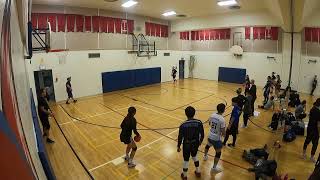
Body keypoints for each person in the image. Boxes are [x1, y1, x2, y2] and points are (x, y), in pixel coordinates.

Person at [177, 106, 204, 179]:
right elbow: (202, 134)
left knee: (186, 160)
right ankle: (198, 171)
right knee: (194, 156)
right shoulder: (199, 122)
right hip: (195, 143)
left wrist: (178, 146)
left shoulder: (183, 125)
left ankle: (185, 175)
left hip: (186, 144)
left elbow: (180, 137)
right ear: (194, 113)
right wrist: (200, 141)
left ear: (186, 114)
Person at [203, 103, 226, 173]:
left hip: (210, 135)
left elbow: (209, 123)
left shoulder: (212, 115)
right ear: (223, 110)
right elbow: (223, 131)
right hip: (216, 138)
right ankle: (214, 168)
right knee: (218, 153)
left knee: (208, 145)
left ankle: (205, 156)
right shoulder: (222, 119)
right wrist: (224, 135)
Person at [303, 98, 320, 163]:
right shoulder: (319, 112)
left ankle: (303, 154)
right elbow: (318, 124)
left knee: (307, 140)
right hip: (315, 130)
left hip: (310, 128)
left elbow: (310, 117)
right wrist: (319, 132)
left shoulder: (312, 109)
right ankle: (312, 157)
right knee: (315, 144)